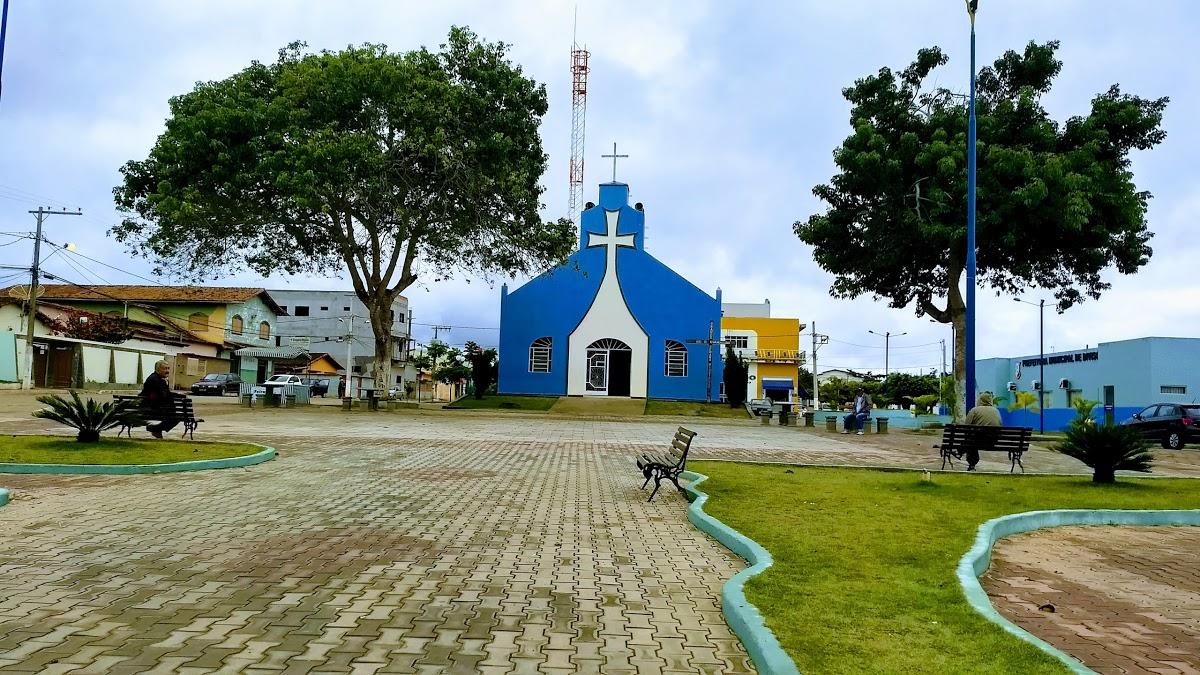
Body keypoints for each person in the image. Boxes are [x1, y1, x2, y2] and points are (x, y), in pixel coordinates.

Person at [962, 391, 1002, 470]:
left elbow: (966, 427)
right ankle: (960, 452)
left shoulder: (974, 410)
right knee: (973, 439)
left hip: (977, 442)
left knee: (971, 439)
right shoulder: (996, 411)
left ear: (980, 400)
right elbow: (1000, 425)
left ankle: (971, 463)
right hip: (993, 442)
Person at [139, 360, 179, 439]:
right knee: (176, 417)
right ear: (158, 369)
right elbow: (162, 395)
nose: (167, 371)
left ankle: (157, 429)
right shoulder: (155, 380)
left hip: (153, 407)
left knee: (175, 415)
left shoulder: (158, 378)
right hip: (152, 409)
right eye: (165, 369)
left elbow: (165, 394)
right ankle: (156, 429)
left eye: (168, 368)